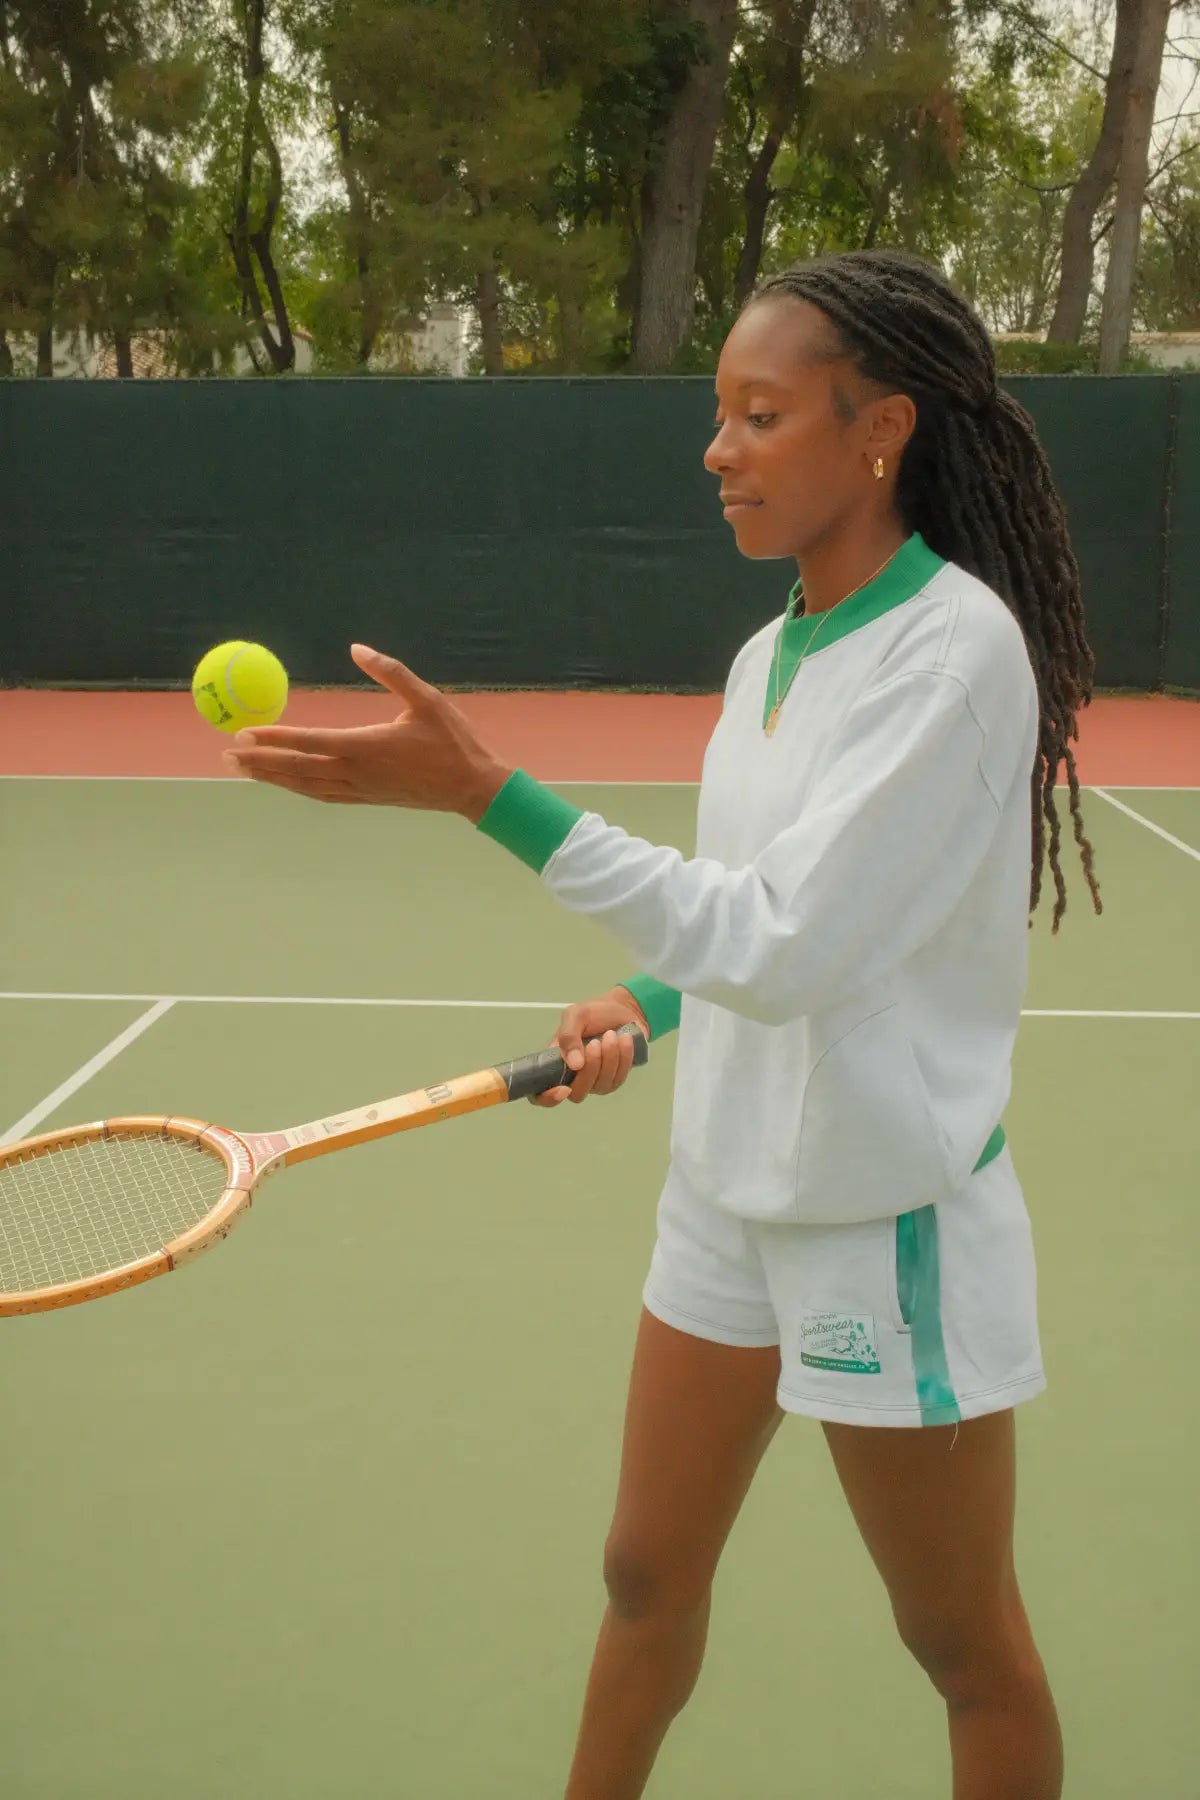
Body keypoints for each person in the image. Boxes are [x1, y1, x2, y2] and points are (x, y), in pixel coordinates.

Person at [228, 248, 1102, 1800]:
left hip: (877, 1212)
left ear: (880, 428)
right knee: (644, 1569)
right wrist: (644, 1004)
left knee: (962, 1644)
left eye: (760, 417)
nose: (717, 451)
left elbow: (784, 943)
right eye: (720, 415)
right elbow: (750, 911)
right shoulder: (773, 655)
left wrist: (488, 796)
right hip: (726, 1191)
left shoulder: (956, 654)